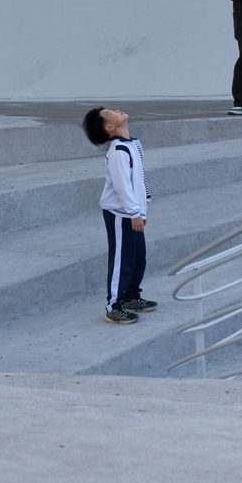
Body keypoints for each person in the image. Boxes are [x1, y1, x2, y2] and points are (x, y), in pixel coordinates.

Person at [83, 105, 152, 324]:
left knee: (138, 257)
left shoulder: (133, 144)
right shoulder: (118, 151)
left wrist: (142, 209)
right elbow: (123, 186)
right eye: (109, 113)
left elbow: (139, 180)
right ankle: (114, 306)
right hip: (120, 214)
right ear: (110, 127)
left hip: (133, 212)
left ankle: (131, 296)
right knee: (122, 260)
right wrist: (134, 212)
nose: (116, 110)